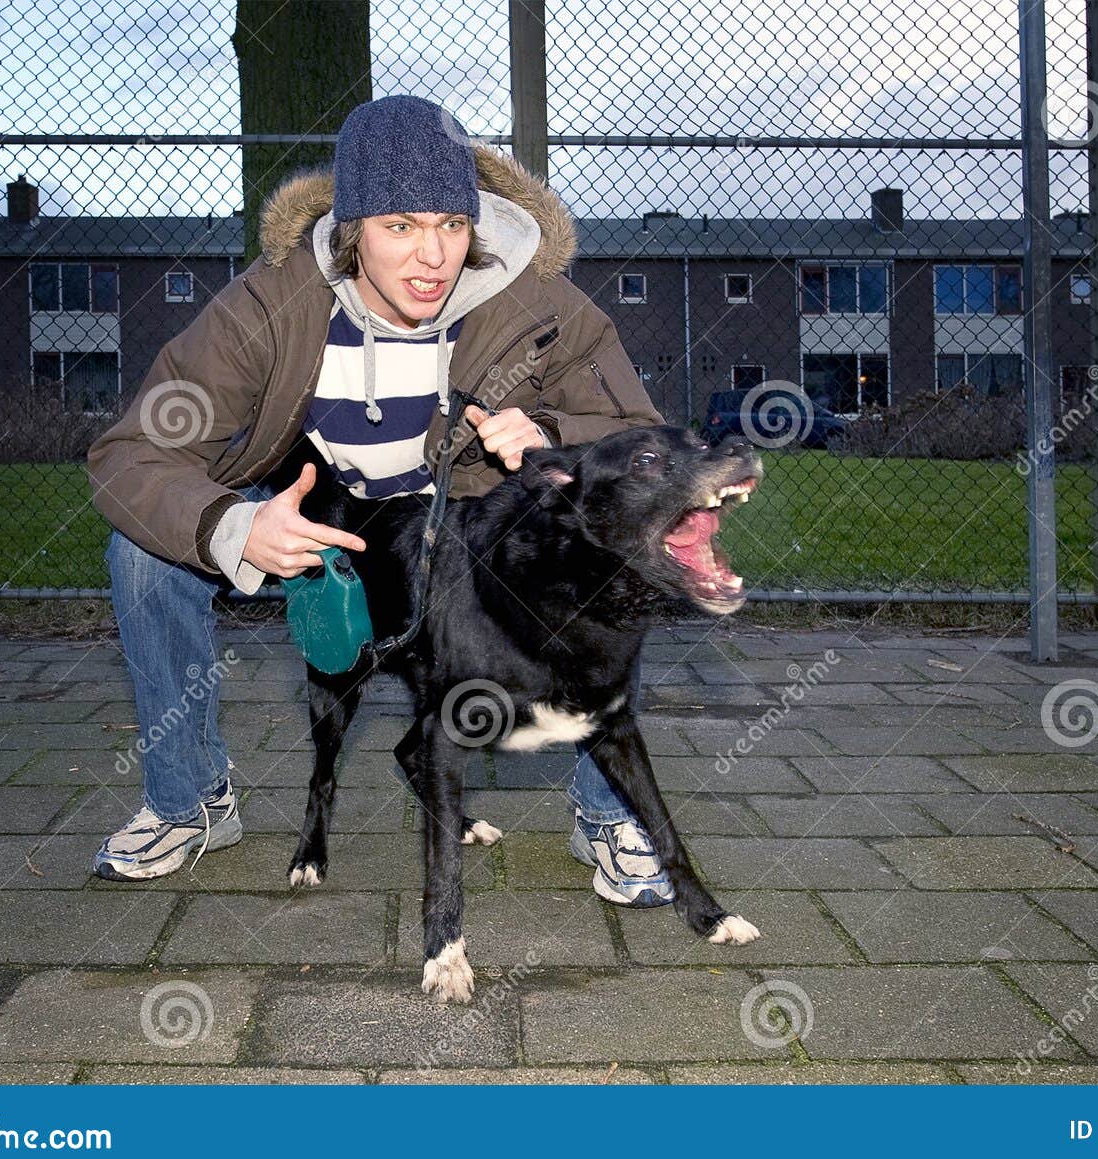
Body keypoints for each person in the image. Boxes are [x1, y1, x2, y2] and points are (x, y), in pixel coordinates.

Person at [85, 95, 675, 907]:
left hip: (456, 519)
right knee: (144, 552)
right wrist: (233, 525)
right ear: (351, 228)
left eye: (452, 224)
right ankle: (189, 799)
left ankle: (608, 813)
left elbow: (644, 445)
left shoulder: (535, 300)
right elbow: (130, 454)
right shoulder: (273, 302)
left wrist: (551, 432)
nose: (432, 255)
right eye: (400, 226)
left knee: (609, 543)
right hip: (312, 507)